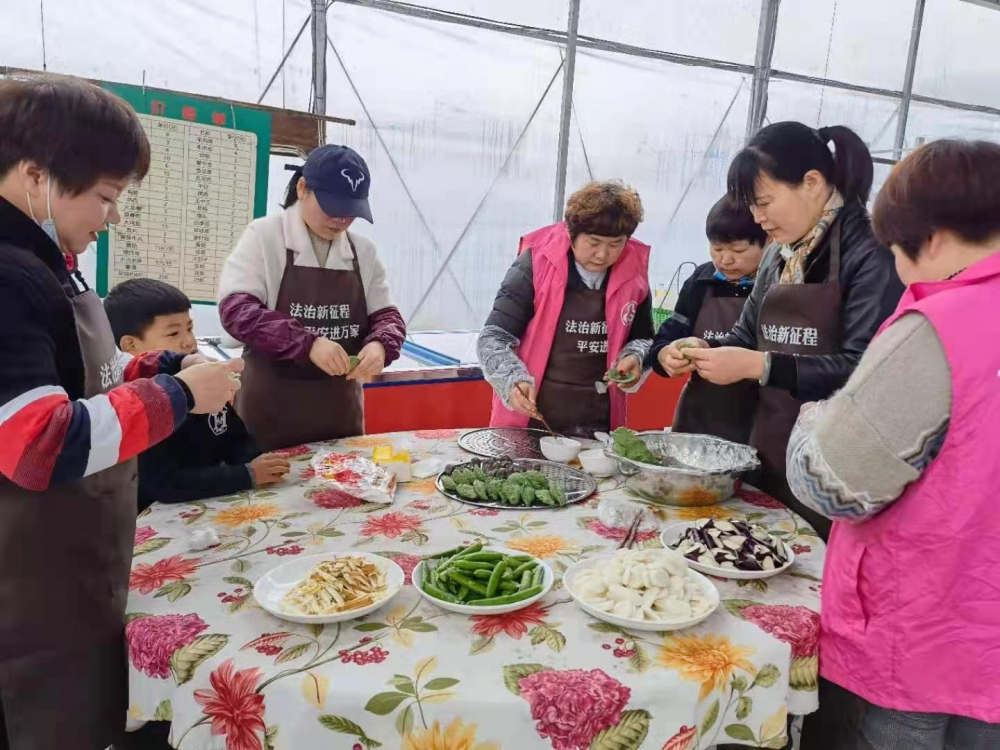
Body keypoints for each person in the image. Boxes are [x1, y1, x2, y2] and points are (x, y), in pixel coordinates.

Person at [0, 75, 242, 750]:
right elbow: (40, 440)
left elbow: (87, 376)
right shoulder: (9, 276)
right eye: (104, 197)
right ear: (34, 175)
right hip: (27, 585)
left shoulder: (55, 264)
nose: (110, 217)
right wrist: (182, 397)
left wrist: (163, 368)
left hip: (77, 562)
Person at [787, 139, 1000, 749]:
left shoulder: (939, 328)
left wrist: (814, 419)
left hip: (927, 637)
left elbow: (836, 483)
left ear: (929, 239)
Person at [657, 122, 903, 539]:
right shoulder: (778, 254)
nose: (758, 217)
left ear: (812, 182)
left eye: (765, 201)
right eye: (752, 205)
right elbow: (744, 338)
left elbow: (865, 370)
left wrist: (761, 365)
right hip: (767, 450)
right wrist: (701, 348)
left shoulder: (871, 254)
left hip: (831, 469)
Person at [218, 145, 406, 450]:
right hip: (269, 414)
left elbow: (387, 316)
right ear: (303, 188)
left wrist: (381, 344)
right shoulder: (265, 237)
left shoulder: (363, 253)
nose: (340, 220)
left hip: (339, 415)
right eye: (332, 208)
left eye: (351, 212)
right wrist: (308, 344)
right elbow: (237, 312)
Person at [479, 180, 654, 438]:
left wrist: (635, 356)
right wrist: (512, 379)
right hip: (532, 416)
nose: (603, 254)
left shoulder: (634, 274)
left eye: (615, 244)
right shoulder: (535, 265)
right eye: (593, 242)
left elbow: (644, 337)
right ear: (572, 233)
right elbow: (493, 338)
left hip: (598, 421)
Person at [105, 279, 291, 511]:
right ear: (131, 345)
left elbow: (233, 436)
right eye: (173, 333)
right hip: (159, 515)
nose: (189, 342)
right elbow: (165, 484)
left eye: (190, 328)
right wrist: (246, 475)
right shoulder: (138, 402)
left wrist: (253, 460)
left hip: (213, 501)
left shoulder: (203, 377)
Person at [647, 195, 766, 443]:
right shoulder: (701, 280)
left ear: (769, 242)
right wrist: (665, 355)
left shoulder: (778, 286)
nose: (725, 260)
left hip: (757, 422)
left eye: (738, 250)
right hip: (698, 417)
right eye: (717, 248)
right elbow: (668, 336)